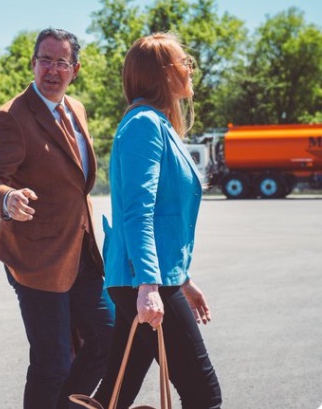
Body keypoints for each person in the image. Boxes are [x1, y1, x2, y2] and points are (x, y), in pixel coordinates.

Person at [72, 32, 222, 409]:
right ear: (162, 73)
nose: (189, 69)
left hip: (146, 277)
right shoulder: (143, 125)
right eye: (182, 62)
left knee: (115, 395)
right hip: (144, 280)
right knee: (204, 395)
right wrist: (151, 285)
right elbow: (138, 212)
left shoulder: (158, 123)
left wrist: (182, 279)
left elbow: (163, 218)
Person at [0, 28, 115, 409]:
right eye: (45, 60)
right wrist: (8, 200)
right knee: (51, 362)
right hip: (36, 260)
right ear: (32, 64)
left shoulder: (78, 109)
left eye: (61, 62)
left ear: (75, 69)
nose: (52, 70)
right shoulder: (11, 117)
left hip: (81, 253)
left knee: (107, 337)